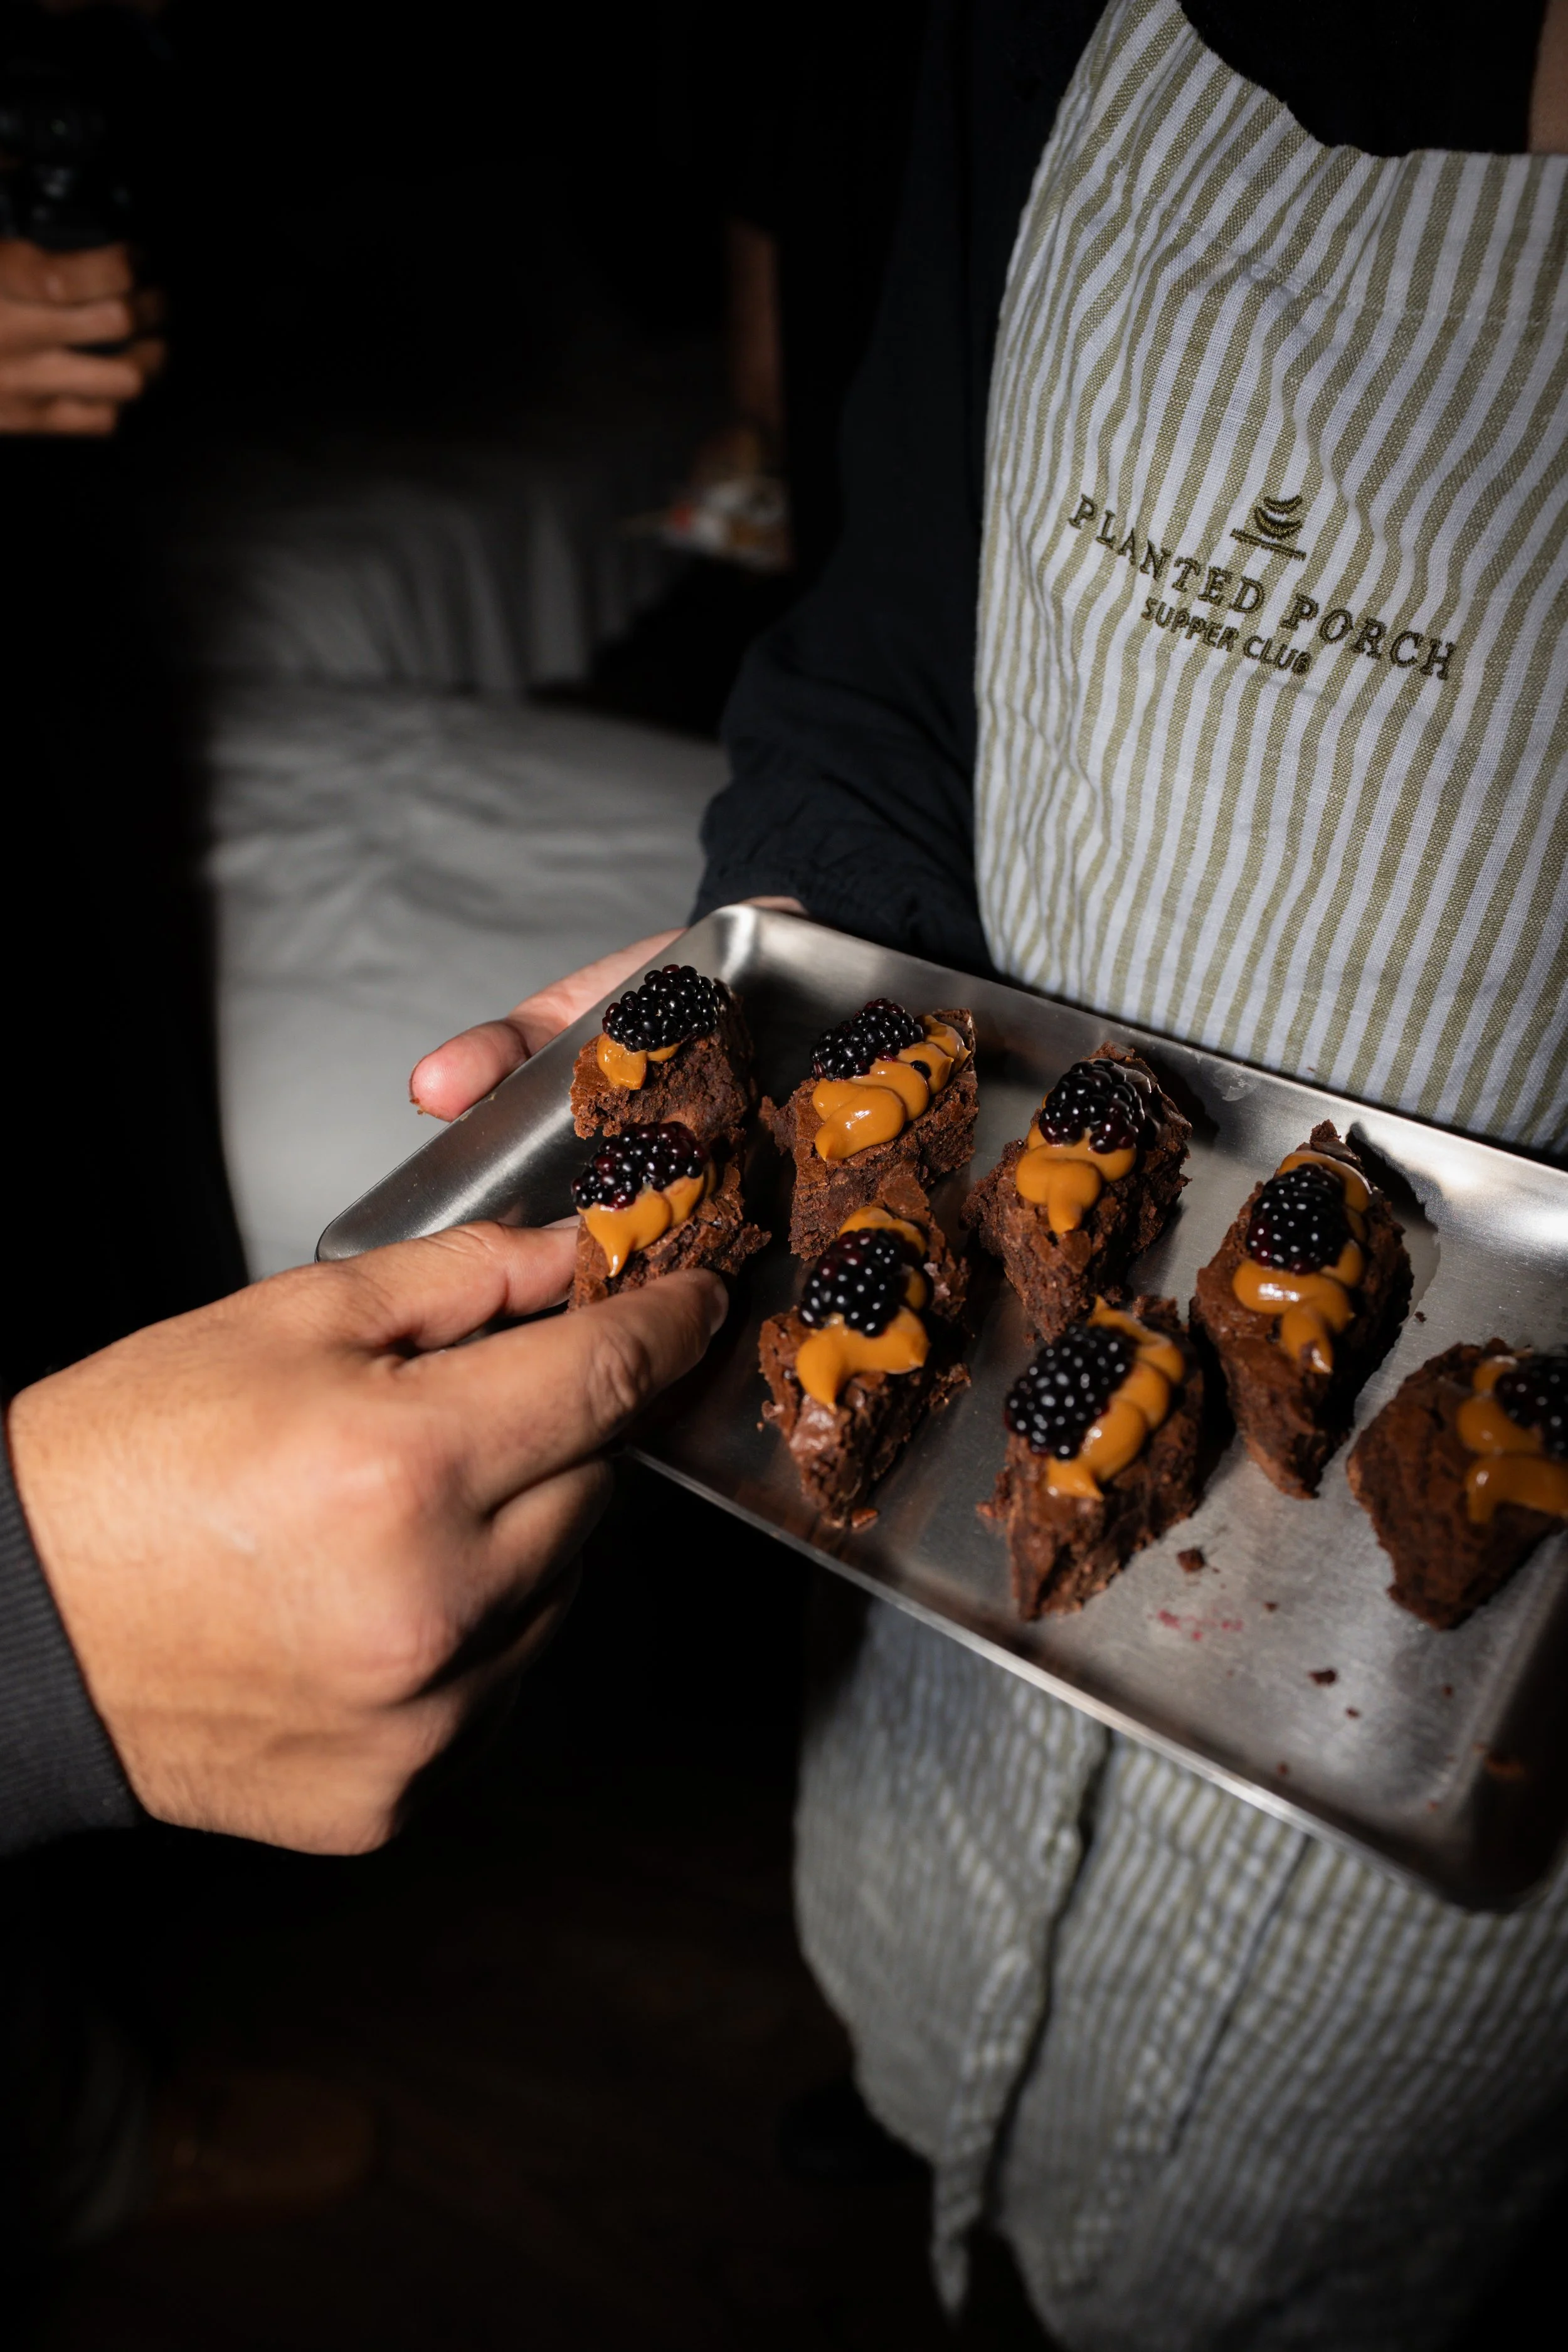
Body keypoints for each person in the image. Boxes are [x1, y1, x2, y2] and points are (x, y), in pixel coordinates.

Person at [413, 2, 1568, 2344]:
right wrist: (793, 959)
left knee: (1314, 2215)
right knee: (910, 1984)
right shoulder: (1032, 9)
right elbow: (885, 650)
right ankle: (917, 2116)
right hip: (951, 1475)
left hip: (1443, 1800)